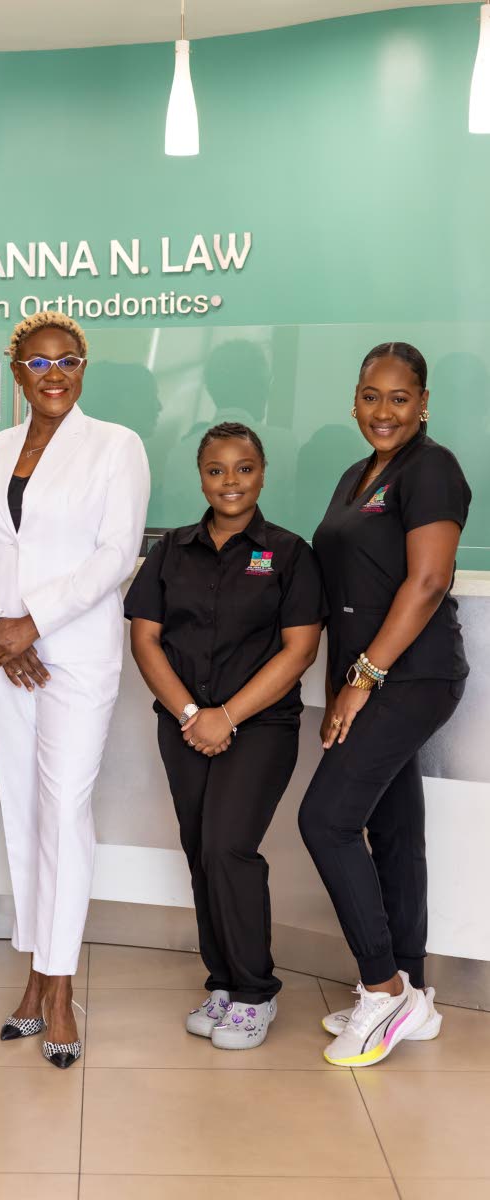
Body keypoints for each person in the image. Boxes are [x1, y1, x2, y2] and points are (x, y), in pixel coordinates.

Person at [0, 312, 150, 1068]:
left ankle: (59, 986)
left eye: (67, 360)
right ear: (16, 373)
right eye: (37, 362)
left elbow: (115, 554)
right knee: (23, 813)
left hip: (71, 654)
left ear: (84, 367)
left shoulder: (115, 446)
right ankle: (33, 975)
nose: (53, 372)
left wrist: (32, 622)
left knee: (63, 809)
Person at [126, 422, 324, 1049]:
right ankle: (222, 979)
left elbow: (299, 650)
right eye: (216, 469)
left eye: (243, 468)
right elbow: (144, 637)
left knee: (228, 847)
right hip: (184, 725)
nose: (230, 481)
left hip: (260, 726)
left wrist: (226, 715)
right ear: (201, 475)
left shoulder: (289, 553)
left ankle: (254, 992)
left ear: (262, 473)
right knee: (198, 846)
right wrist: (191, 714)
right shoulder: (171, 550)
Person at [299, 342, 470, 1068]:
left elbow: (427, 581)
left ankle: (382, 987)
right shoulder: (355, 474)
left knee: (325, 821)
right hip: (370, 676)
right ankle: (417, 996)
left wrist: (361, 678)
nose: (383, 410)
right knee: (394, 831)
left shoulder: (431, 468)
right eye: (371, 395)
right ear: (354, 399)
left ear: (423, 403)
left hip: (409, 677)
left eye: (399, 398)